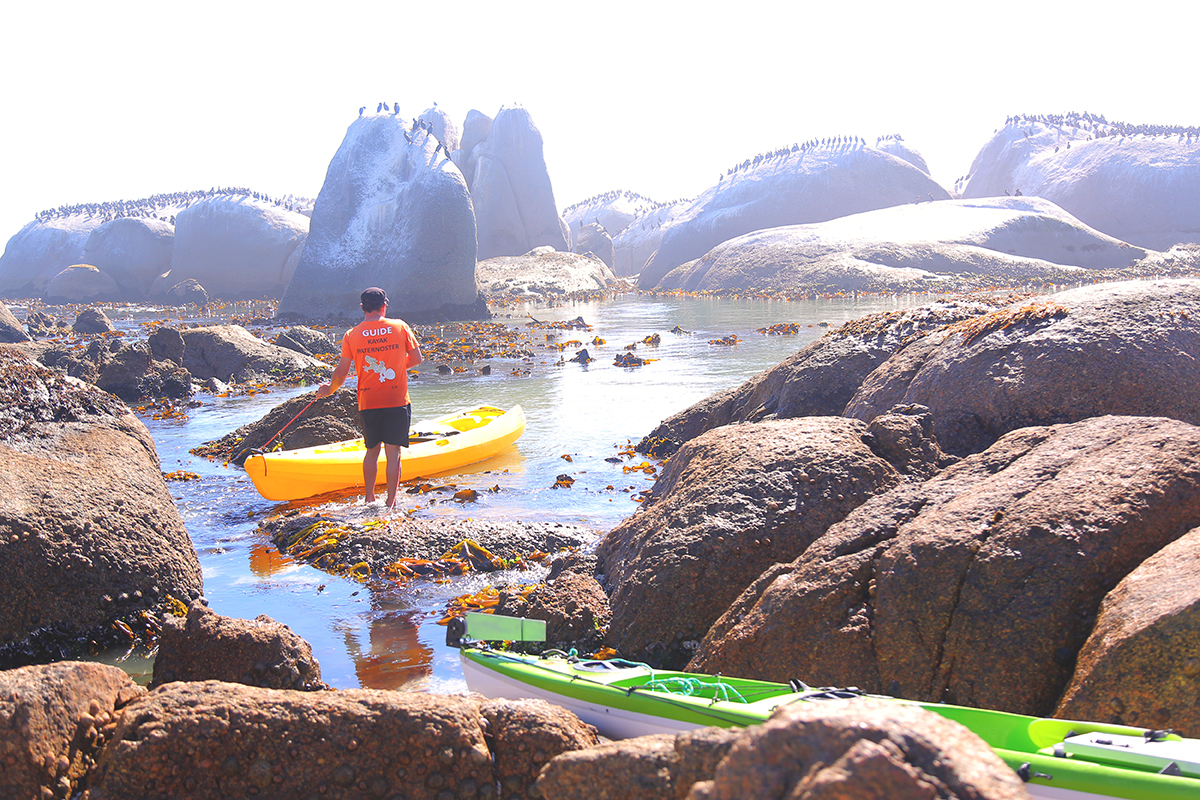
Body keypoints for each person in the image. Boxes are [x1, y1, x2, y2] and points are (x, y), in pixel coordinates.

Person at [316, 287, 423, 507]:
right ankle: (391, 502)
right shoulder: (400, 326)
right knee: (393, 452)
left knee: (371, 450)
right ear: (384, 305)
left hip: (368, 401)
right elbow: (417, 358)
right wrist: (395, 368)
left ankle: (369, 498)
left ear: (362, 308)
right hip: (396, 401)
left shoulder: (351, 334)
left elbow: (342, 372)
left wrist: (329, 389)